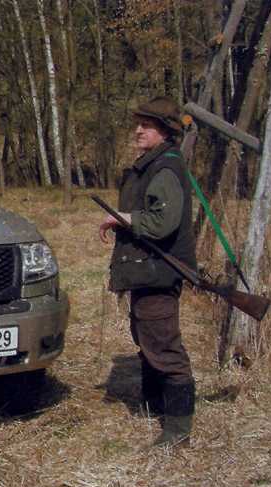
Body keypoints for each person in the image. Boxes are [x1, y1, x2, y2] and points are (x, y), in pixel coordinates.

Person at [99, 96, 197, 448]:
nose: (138, 130)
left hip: (159, 270)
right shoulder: (153, 164)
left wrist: (120, 218)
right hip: (147, 270)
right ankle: (154, 406)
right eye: (139, 123)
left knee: (164, 348)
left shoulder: (165, 168)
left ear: (166, 132)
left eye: (148, 125)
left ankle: (177, 430)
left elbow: (162, 223)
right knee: (146, 339)